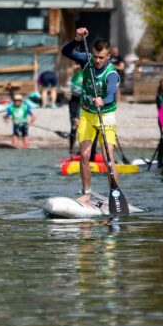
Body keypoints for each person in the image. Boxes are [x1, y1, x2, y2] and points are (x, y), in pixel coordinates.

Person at [61, 27, 119, 204]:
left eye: (102, 57)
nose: (98, 60)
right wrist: (77, 39)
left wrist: (104, 101)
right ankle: (86, 193)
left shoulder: (112, 74)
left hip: (106, 115)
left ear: (108, 56)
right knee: (85, 155)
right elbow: (66, 51)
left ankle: (115, 193)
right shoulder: (87, 60)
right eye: (96, 56)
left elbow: (110, 95)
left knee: (108, 157)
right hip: (86, 113)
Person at [66, 70, 82, 155]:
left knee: (84, 126)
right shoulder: (74, 74)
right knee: (74, 126)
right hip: (74, 100)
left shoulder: (91, 72)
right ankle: (71, 151)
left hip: (85, 100)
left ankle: (86, 150)